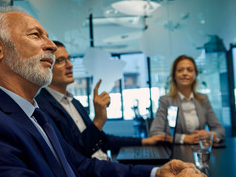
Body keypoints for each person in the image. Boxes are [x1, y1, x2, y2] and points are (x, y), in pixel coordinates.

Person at [0, 6, 214, 177]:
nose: (50, 46)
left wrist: (156, 174)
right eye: (36, 35)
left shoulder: (33, 114)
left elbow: (83, 165)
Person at [35, 41, 171, 159]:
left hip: (104, 161)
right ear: (47, 66)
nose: (69, 65)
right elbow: (75, 155)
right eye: (60, 61)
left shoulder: (74, 102)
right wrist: (99, 120)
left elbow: (102, 140)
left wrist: (145, 141)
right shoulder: (42, 107)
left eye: (69, 59)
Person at [149, 55, 225, 144]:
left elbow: (220, 129)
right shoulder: (166, 101)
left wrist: (211, 135)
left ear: (195, 74)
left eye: (189, 70)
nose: (185, 73)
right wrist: (183, 138)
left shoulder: (203, 99)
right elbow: (155, 132)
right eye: (180, 70)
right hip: (176, 152)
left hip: (200, 151)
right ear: (174, 75)